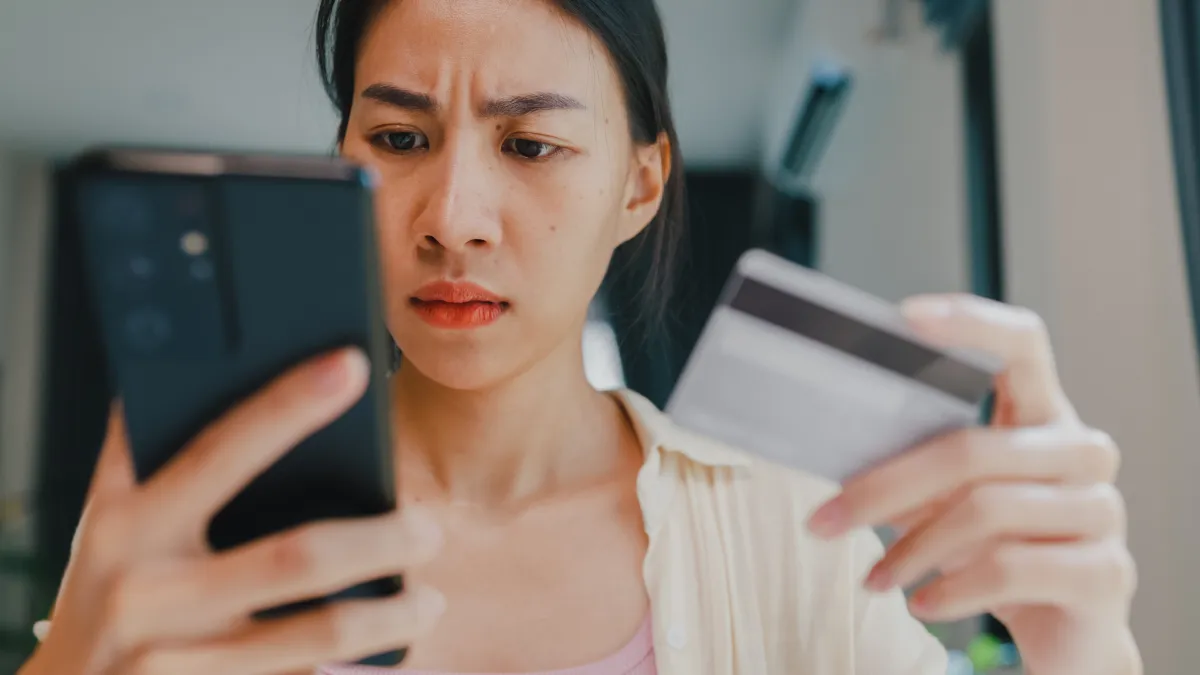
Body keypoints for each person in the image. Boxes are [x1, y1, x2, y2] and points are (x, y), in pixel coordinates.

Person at [19, 0, 1141, 673]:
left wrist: (1079, 645)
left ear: (641, 184)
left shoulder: (794, 525)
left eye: (533, 146)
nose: (451, 216)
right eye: (400, 137)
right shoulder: (198, 519)